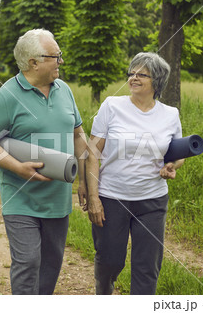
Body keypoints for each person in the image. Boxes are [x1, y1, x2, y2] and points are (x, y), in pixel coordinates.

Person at [0, 29, 87, 295]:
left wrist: (83, 178)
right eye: (55, 56)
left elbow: (79, 136)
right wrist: (18, 168)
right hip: (21, 199)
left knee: (50, 267)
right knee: (28, 263)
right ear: (33, 63)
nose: (61, 61)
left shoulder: (65, 90)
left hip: (58, 201)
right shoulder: (6, 96)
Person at [85, 52, 184, 295]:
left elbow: (176, 154)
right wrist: (94, 197)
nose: (133, 77)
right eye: (132, 73)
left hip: (152, 200)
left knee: (147, 267)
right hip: (111, 197)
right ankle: (104, 292)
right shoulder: (111, 105)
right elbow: (92, 153)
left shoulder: (170, 114)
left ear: (157, 81)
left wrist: (172, 166)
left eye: (141, 74)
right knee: (110, 260)